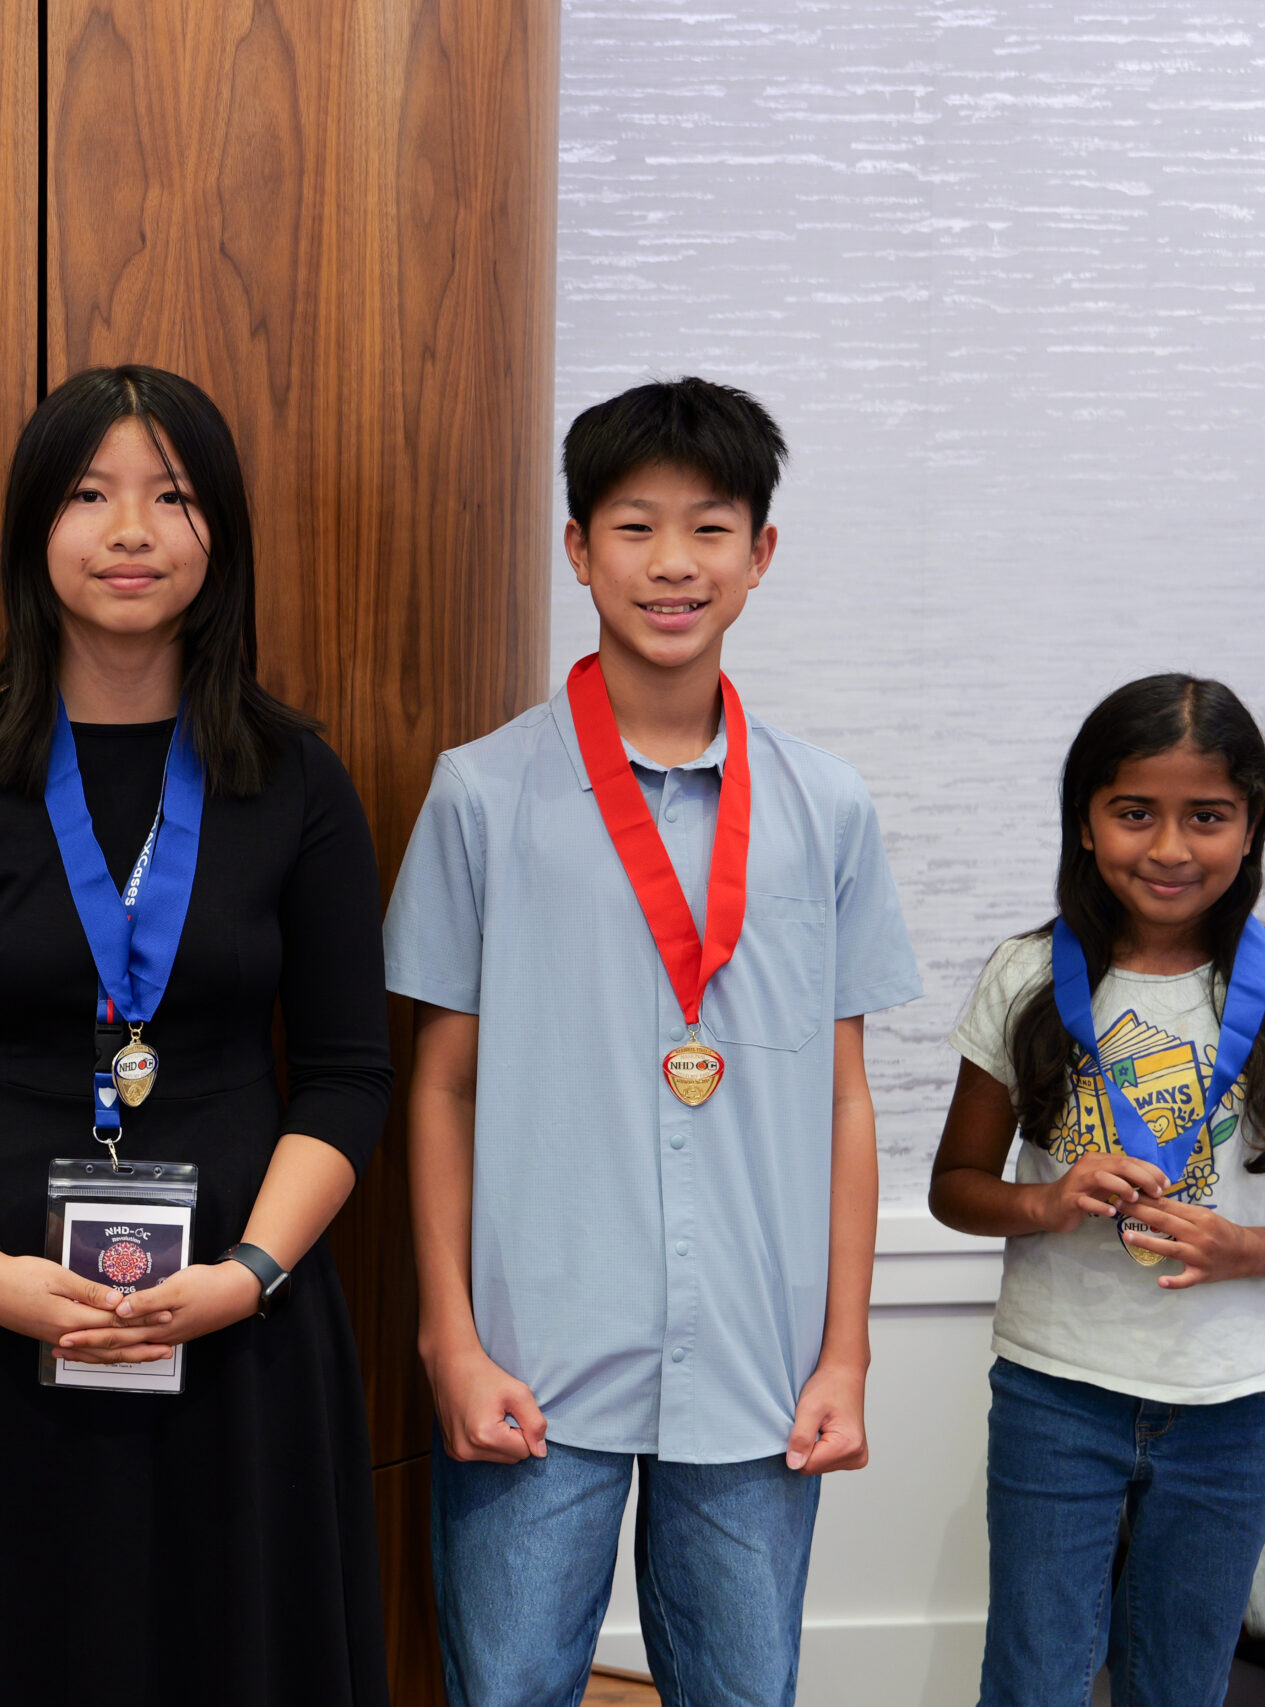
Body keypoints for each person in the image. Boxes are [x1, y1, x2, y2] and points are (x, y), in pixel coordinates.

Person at [0, 365, 395, 1705]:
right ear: (33, 527)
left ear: (219, 530)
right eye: (90, 493)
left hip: (237, 1337)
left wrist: (250, 1269)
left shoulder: (295, 778)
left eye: (170, 495)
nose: (132, 529)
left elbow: (349, 1075)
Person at [385, 377, 924, 1707]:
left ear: (761, 555)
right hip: (532, 1360)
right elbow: (440, 1085)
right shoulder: (483, 794)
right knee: (506, 1687)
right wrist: (450, 1338)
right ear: (577, 548)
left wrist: (845, 1351)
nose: (673, 562)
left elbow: (846, 1100)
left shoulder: (827, 807)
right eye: (634, 526)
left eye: (711, 528)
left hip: (757, 1359)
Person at [930, 674, 1265, 1707]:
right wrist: (1043, 1203)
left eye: (1207, 817)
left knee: (1179, 1684)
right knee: (1034, 1679)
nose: (1170, 847)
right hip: (1055, 1392)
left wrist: (1245, 1250)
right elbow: (955, 1188)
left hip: (1232, 1407)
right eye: (1134, 812)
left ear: (1250, 828)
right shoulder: (1027, 977)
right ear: (1084, 824)